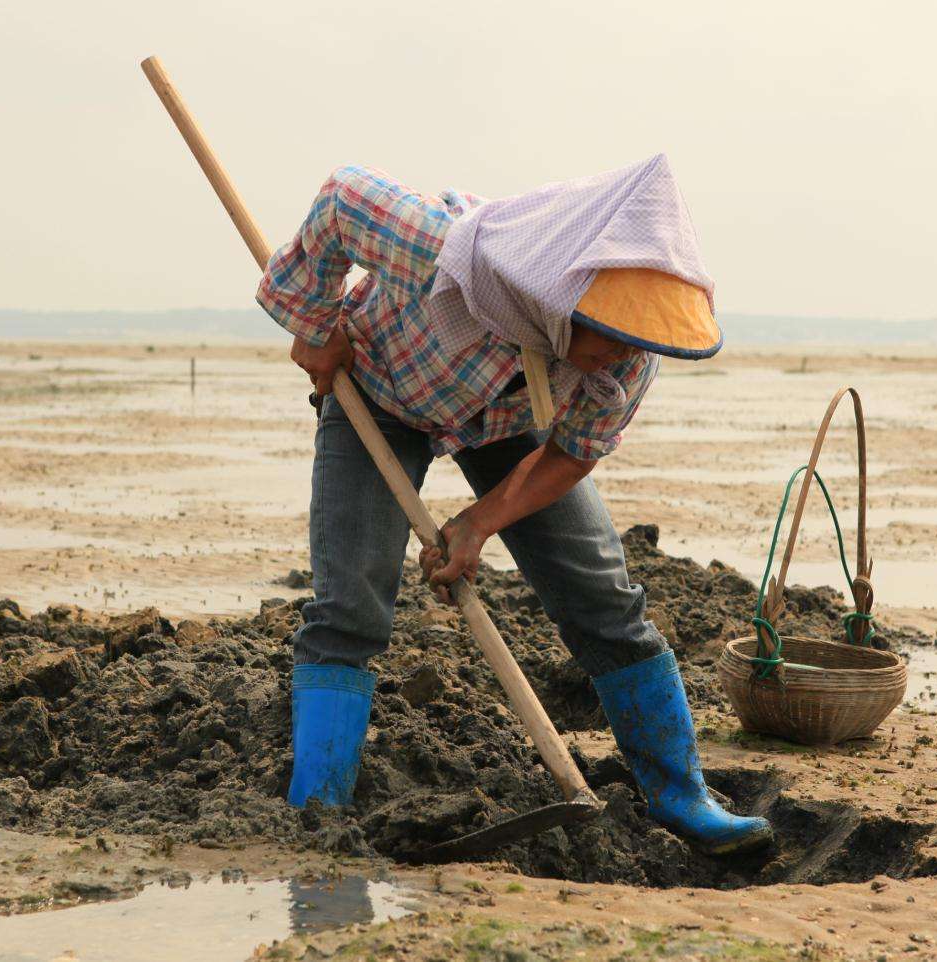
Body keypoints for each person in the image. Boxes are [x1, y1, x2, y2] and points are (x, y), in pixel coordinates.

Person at [256, 154, 771, 855]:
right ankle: (317, 813)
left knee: (603, 600)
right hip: (379, 390)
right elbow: (344, 201)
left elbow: (573, 449)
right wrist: (316, 326)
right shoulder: (451, 255)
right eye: (609, 333)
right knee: (349, 606)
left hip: (507, 424)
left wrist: (479, 523)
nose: (620, 353)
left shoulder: (628, 355)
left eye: (633, 339)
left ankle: (681, 795)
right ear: (566, 297)